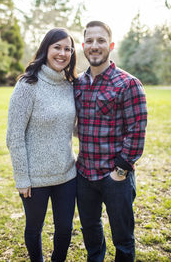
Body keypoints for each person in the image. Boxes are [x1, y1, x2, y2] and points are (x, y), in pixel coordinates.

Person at [74, 21, 147, 262]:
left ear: (111, 45)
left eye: (101, 40)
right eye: (90, 41)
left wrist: (120, 170)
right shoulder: (78, 84)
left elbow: (137, 132)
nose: (95, 46)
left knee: (123, 238)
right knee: (91, 233)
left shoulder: (128, 83)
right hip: (84, 175)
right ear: (84, 46)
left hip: (115, 177)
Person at [6, 28, 77, 262]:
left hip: (67, 174)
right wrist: (22, 177)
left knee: (65, 230)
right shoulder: (28, 85)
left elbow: (70, 126)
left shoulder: (70, 85)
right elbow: (14, 135)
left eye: (67, 48)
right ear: (46, 49)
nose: (62, 53)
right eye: (57, 47)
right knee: (34, 229)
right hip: (34, 179)